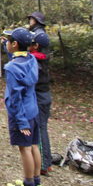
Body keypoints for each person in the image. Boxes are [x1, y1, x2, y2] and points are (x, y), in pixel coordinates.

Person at [2, 28, 42, 186]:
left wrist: (20, 120)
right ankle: (36, 183)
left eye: (9, 42)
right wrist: (6, 44)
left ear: (15, 44)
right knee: (34, 145)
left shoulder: (11, 68)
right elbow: (17, 56)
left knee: (24, 149)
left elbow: (15, 97)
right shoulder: (31, 59)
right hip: (33, 111)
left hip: (22, 115)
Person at [29, 30, 53, 176]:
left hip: (40, 97)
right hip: (42, 95)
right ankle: (45, 162)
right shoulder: (40, 56)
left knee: (40, 128)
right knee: (40, 127)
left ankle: (44, 164)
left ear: (36, 46)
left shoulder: (37, 60)